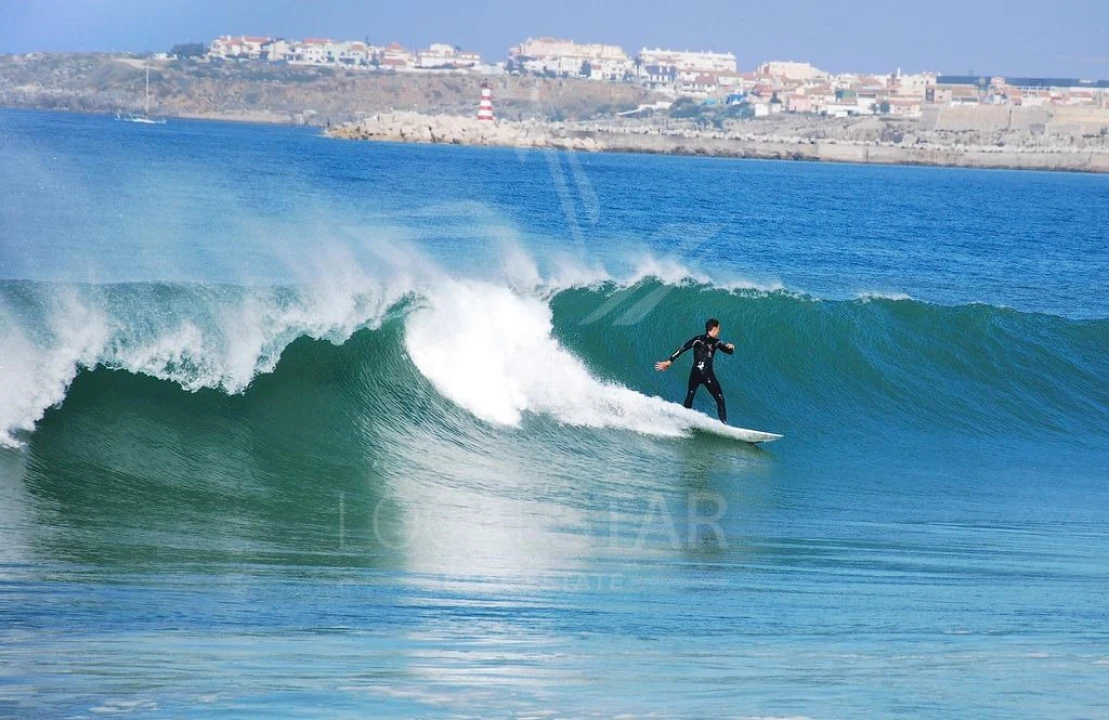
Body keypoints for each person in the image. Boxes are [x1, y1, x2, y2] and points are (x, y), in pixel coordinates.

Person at [655, 318, 735, 423]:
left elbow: (682, 349)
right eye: (719, 329)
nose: (719, 331)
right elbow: (727, 350)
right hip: (707, 374)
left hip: (695, 372)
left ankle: (681, 419)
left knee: (691, 394)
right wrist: (731, 348)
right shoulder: (716, 342)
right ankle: (724, 424)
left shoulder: (699, 339)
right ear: (714, 329)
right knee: (720, 398)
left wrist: (670, 361)